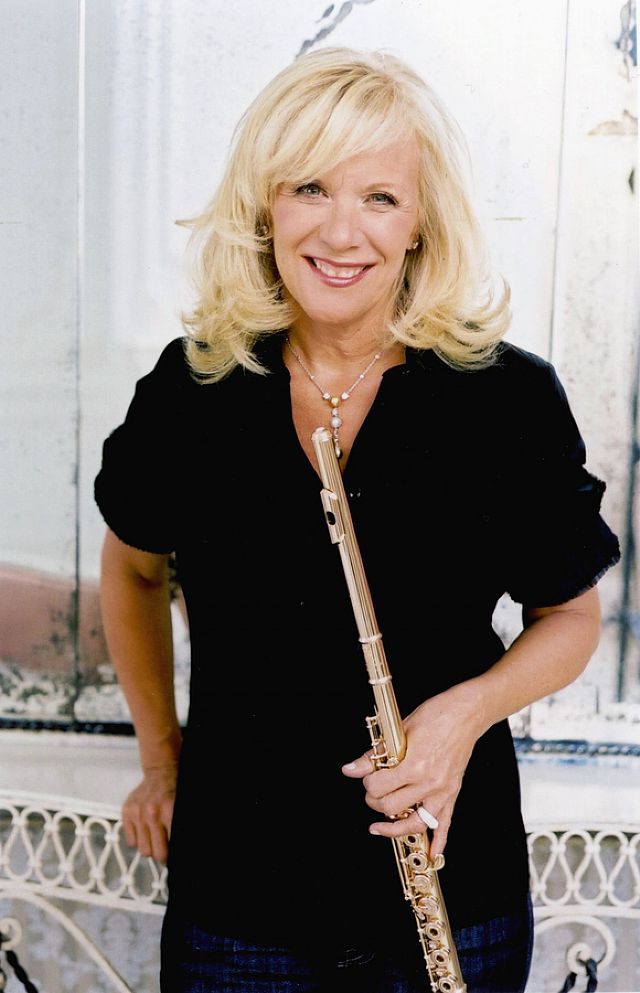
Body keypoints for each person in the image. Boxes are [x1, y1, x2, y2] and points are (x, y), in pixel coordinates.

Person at [95, 47, 620, 993]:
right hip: (237, 898)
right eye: (310, 187)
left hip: (452, 883)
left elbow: (571, 618)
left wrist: (461, 716)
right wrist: (160, 759)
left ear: (420, 223)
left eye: (381, 197)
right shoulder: (194, 389)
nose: (342, 231)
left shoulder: (505, 399)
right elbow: (132, 569)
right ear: (265, 206)